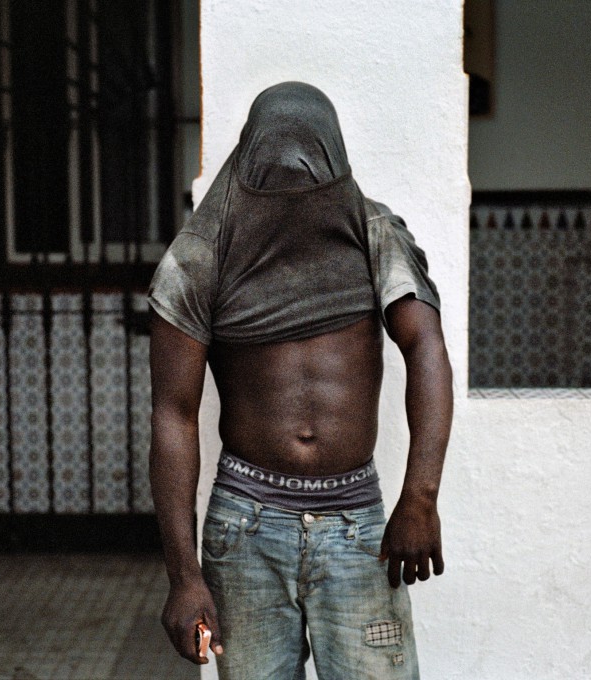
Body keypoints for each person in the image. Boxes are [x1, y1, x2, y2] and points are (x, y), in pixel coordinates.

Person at [148, 81, 453, 680]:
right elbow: (172, 415)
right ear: (245, 167)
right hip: (245, 530)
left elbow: (426, 346)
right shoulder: (198, 256)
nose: (293, 186)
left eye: (310, 173)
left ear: (336, 167)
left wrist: (420, 498)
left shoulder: (374, 234)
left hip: (357, 528)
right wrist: (184, 576)